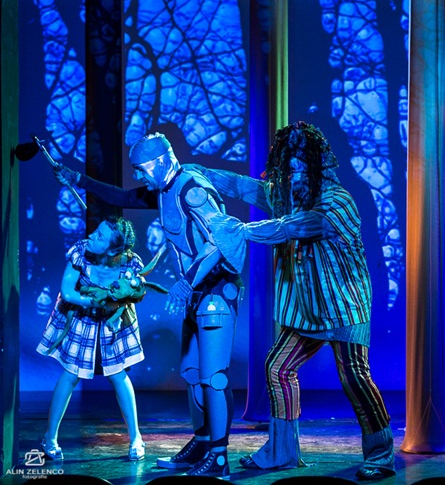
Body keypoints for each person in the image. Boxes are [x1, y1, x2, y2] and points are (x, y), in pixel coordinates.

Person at [199, 121, 396, 480]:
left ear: (317, 165)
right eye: (288, 168)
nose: (293, 176)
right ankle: (282, 451)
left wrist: (241, 231)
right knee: (278, 368)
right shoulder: (286, 195)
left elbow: (293, 226)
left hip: (343, 308)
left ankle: (380, 454)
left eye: (300, 167)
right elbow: (244, 187)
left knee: (355, 377)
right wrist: (200, 173)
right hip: (307, 311)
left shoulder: (337, 202)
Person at [54, 133, 242, 479]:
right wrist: (78, 179)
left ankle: (219, 457)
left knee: (213, 377)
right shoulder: (164, 190)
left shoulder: (192, 189)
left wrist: (186, 282)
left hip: (215, 291)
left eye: (141, 169)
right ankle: (202, 443)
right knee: (192, 372)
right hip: (195, 293)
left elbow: (221, 240)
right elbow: (123, 197)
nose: (138, 175)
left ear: (160, 162)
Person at [37, 217, 147, 461]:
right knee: (71, 373)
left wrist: (118, 301)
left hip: (113, 320)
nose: (91, 237)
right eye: (95, 231)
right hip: (82, 315)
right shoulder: (80, 253)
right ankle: (50, 437)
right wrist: (94, 302)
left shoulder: (130, 264)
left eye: (99, 237)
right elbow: (67, 292)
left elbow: (135, 292)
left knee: (118, 374)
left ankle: (136, 438)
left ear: (112, 250)